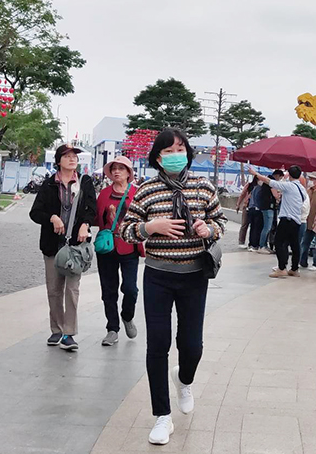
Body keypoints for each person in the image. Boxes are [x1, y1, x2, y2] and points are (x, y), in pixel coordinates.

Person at [119, 128, 226, 446]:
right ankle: (162, 417)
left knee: (192, 346)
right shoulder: (146, 190)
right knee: (157, 345)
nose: (175, 154)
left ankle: (184, 379)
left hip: (194, 277)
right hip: (157, 276)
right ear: (158, 157)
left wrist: (209, 228)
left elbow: (221, 223)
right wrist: (149, 227)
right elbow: (126, 230)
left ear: (188, 153)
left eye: (181, 148)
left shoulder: (203, 187)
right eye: (168, 151)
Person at [30, 144, 97, 352]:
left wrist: (85, 224)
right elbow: (35, 213)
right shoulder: (49, 184)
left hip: (76, 247)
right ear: (58, 161)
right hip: (53, 246)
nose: (72, 159)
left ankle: (69, 333)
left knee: (72, 290)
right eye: (66, 156)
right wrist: (52, 217)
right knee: (54, 290)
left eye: (74, 156)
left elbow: (92, 209)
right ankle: (56, 330)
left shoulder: (85, 182)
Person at [95, 155, 144, 347]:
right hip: (107, 247)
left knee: (130, 289)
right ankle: (112, 328)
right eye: (114, 168)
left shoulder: (137, 193)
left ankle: (127, 315)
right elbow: (97, 220)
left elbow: (143, 219)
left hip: (129, 246)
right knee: (109, 290)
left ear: (128, 173)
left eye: (121, 169)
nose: (116, 172)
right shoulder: (104, 194)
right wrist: (110, 215)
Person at [249, 165, 307, 278]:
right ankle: (294, 268)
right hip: (297, 220)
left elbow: (270, 182)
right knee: (295, 245)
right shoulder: (302, 189)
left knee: (279, 242)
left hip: (287, 219)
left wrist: (255, 174)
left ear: (289, 175)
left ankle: (281, 268)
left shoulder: (289, 186)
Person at [256, 170, 280, 254]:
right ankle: (262, 246)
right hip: (269, 207)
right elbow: (276, 195)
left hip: (264, 207)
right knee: (267, 227)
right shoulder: (271, 184)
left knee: (266, 227)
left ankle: (264, 245)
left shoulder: (264, 185)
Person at [235, 177, 257, 249]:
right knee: (245, 224)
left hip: (255, 208)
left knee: (254, 226)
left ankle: (252, 242)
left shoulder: (260, 187)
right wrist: (238, 204)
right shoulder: (249, 185)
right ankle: (241, 241)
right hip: (247, 206)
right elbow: (242, 194)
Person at [247, 178, 265, 252]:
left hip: (251, 209)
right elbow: (258, 198)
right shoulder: (260, 188)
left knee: (253, 227)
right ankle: (255, 245)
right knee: (257, 228)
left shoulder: (254, 188)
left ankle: (251, 244)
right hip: (257, 209)